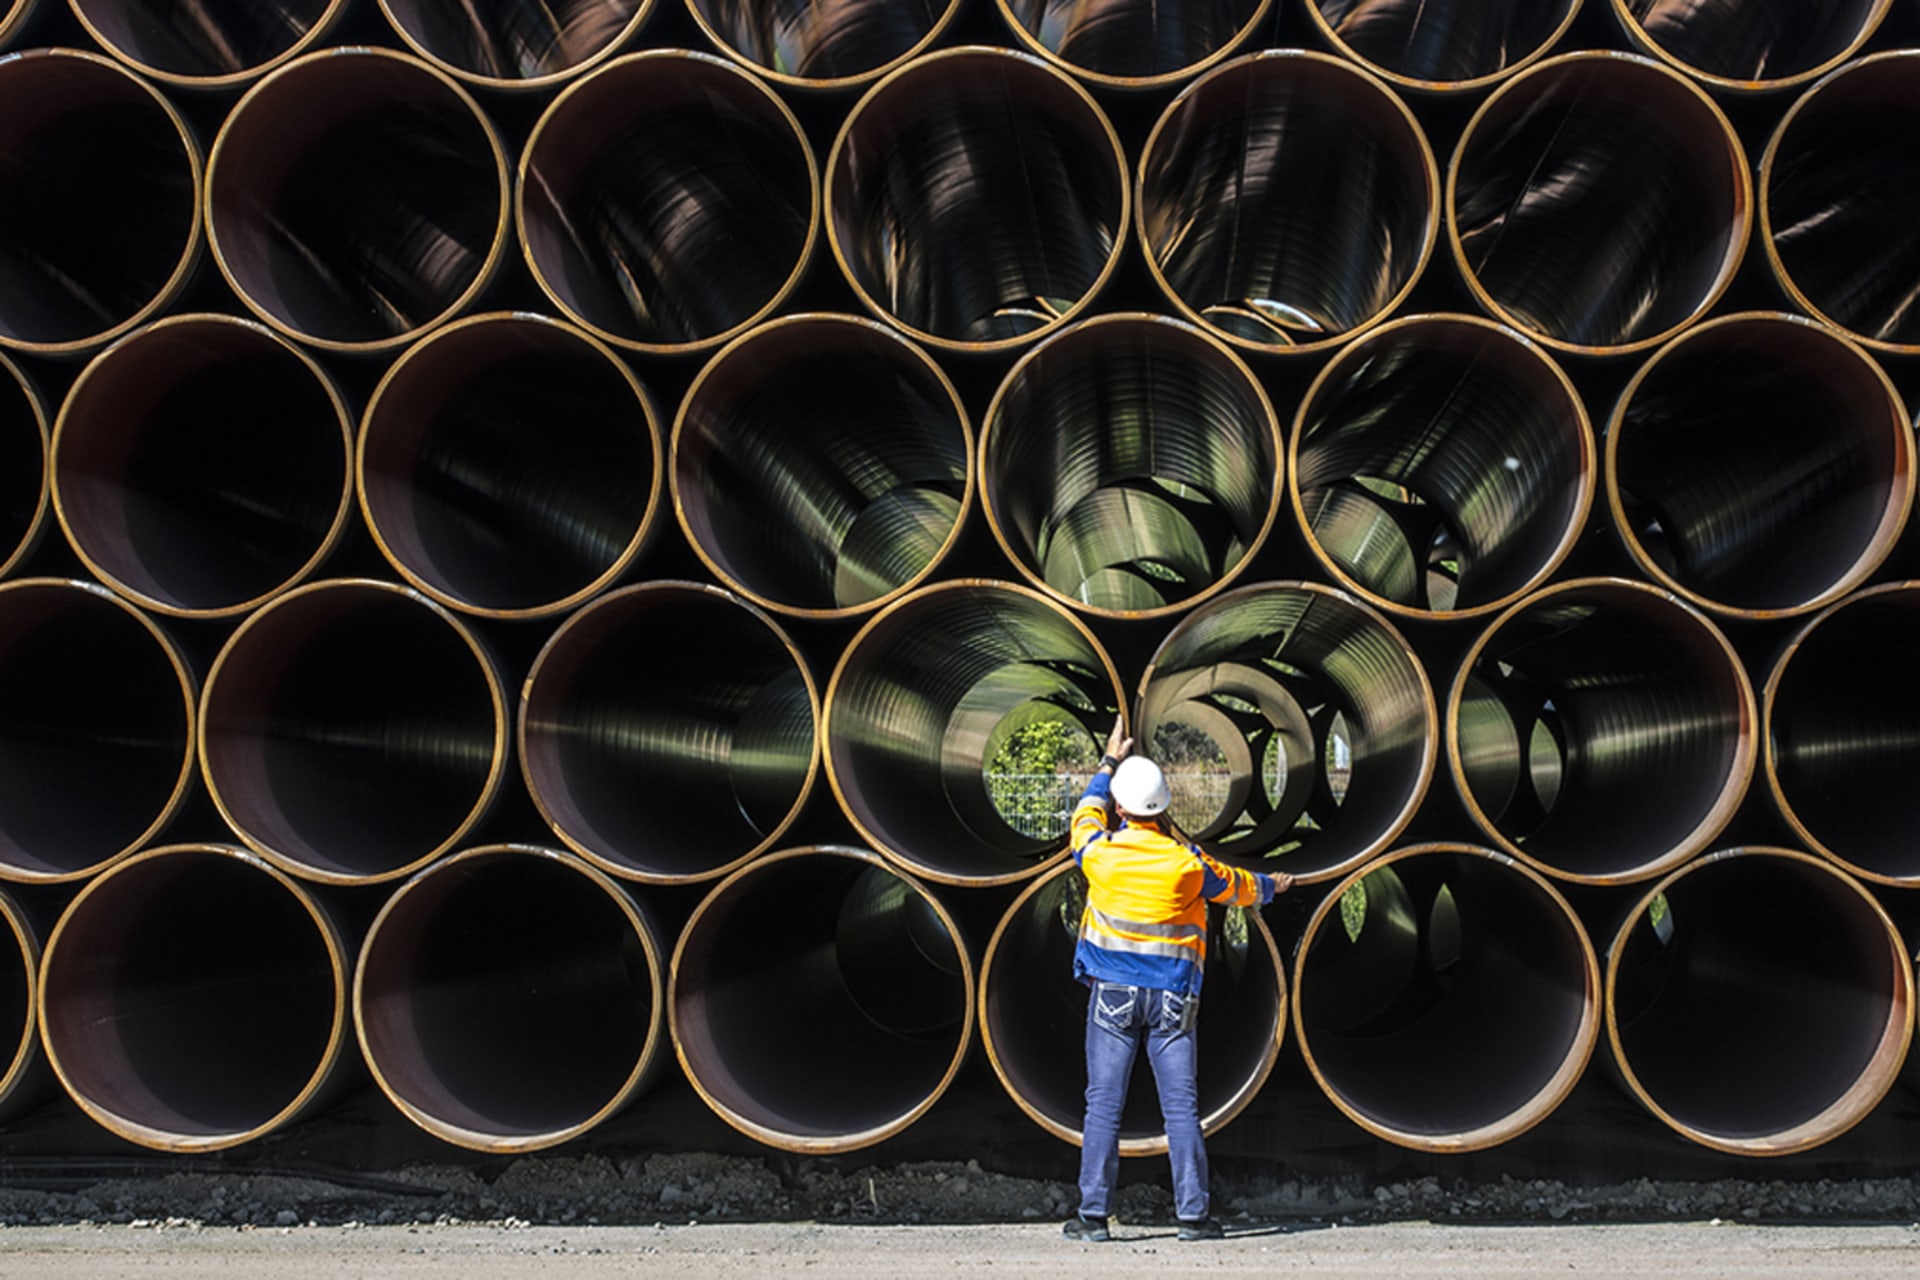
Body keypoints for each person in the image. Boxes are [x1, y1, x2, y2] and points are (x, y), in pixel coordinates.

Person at [1061, 716, 1291, 1244]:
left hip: (1113, 996)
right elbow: (1239, 888)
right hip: (1171, 998)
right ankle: (1192, 1216)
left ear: (1122, 809)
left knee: (1103, 1103)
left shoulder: (1098, 854)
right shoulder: (1187, 864)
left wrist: (1109, 762)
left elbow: (1084, 814)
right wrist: (1274, 886)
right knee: (1180, 1108)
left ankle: (1092, 1217)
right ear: (1164, 808)